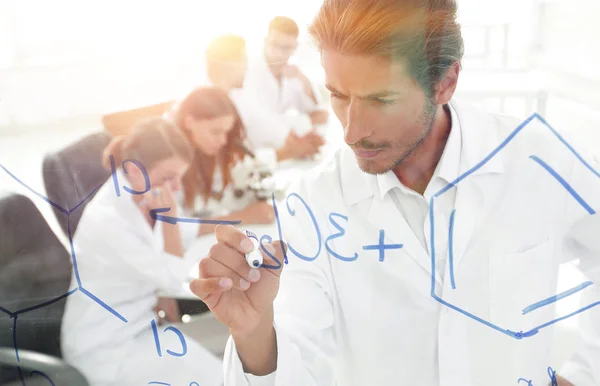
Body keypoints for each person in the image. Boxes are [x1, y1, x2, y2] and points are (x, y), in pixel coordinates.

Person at [190, 1, 600, 386]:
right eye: (338, 95)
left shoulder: (537, 159)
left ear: (445, 83)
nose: (350, 132)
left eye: (380, 99)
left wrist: (585, 374)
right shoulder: (313, 202)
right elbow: (300, 357)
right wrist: (254, 332)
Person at [61, 117, 223, 386]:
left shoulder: (141, 193)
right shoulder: (108, 220)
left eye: (179, 178)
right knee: (219, 376)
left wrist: (236, 219)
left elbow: (182, 235)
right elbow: (171, 281)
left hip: (141, 327)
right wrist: (169, 221)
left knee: (226, 361)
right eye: (168, 178)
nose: (176, 188)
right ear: (134, 170)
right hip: (107, 349)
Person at [167, 86, 275, 236]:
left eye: (226, 132)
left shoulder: (206, 150)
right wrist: (244, 217)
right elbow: (173, 229)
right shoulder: (165, 161)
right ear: (189, 122)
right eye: (215, 132)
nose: (223, 141)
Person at [205, 33, 324, 162]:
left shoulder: (237, 96)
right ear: (229, 65)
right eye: (244, 60)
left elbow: (263, 121)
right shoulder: (209, 106)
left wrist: (295, 139)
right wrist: (287, 151)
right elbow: (236, 162)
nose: (246, 67)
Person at [241, 16, 330, 150]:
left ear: (295, 48)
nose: (280, 53)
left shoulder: (293, 74)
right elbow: (259, 123)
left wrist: (303, 79)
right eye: (275, 45)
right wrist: (306, 121)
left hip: (283, 147)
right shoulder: (248, 73)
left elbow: (320, 113)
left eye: (287, 48)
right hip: (256, 149)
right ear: (265, 41)